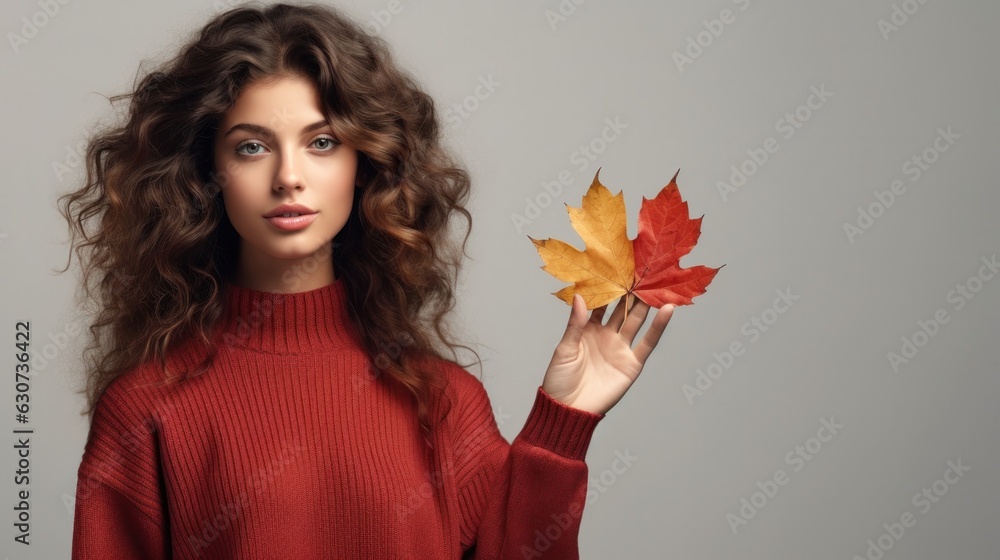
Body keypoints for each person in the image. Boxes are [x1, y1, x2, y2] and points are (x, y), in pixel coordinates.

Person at [57, 3, 675, 558]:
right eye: (251, 148)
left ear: (365, 163)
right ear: (203, 170)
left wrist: (561, 424)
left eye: (322, 142)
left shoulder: (444, 403)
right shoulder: (145, 409)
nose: (288, 176)